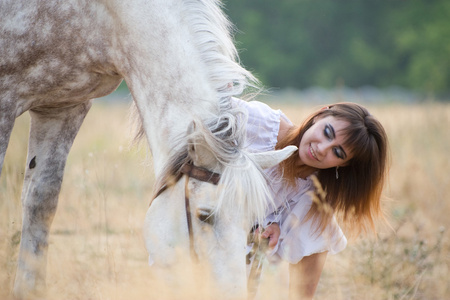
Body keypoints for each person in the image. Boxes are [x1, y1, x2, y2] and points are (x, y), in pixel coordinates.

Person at [233, 97, 389, 299]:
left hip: (235, 246)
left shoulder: (312, 192)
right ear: (320, 115)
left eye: (338, 152)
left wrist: (270, 227)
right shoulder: (262, 123)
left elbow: (272, 218)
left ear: (343, 165)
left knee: (321, 221)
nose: (322, 148)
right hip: (196, 207)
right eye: (327, 133)